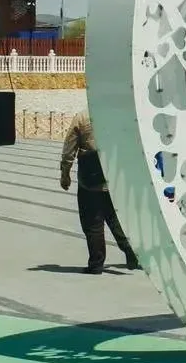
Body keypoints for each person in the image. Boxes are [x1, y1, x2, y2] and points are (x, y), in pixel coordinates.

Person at [60, 112, 140, 274]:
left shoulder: (81, 117)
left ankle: (96, 264)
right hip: (115, 176)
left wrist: (65, 174)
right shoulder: (118, 115)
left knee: (92, 223)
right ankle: (130, 249)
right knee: (115, 217)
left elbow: (69, 149)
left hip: (90, 179)